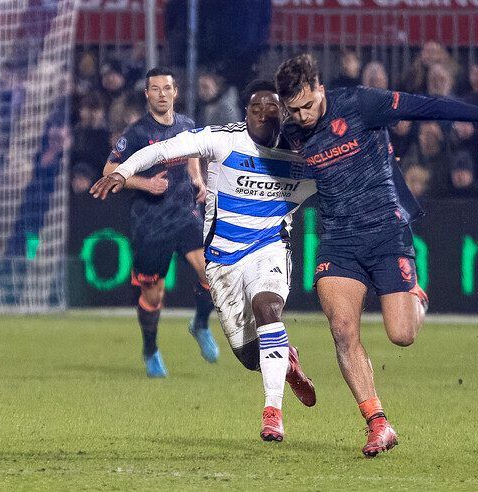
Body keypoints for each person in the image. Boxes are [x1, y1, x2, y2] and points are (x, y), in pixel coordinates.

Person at [274, 53, 478, 457]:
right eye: (295, 109)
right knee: (342, 330)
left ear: (320, 87)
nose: (304, 116)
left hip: (386, 233)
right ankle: (378, 423)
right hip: (337, 239)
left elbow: (426, 105)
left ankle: (416, 298)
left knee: (402, 335)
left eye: (308, 105)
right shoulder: (288, 129)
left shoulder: (360, 104)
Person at [90, 80, 318, 442]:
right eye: (255, 108)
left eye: (271, 108)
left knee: (268, 308)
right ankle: (284, 360)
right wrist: (122, 172)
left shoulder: (305, 153)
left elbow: (346, 178)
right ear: (245, 114)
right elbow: (163, 150)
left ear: (283, 113)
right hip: (224, 259)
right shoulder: (224, 138)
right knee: (249, 357)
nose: (262, 114)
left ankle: (272, 413)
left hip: (270, 247)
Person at [97, 67, 219, 378]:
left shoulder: (188, 125)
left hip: (184, 214)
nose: (162, 94)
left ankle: (201, 324)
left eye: (167, 88)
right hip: (149, 224)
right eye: (156, 89)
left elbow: (193, 155)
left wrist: (198, 180)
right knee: (154, 294)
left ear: (175, 92)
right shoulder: (136, 134)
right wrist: (145, 184)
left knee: (213, 273)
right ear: (147, 95)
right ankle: (150, 349)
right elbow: (108, 171)